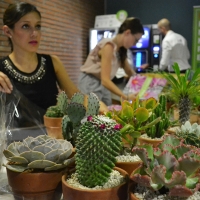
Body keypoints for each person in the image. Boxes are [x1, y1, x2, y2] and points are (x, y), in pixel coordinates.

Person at [0, 2, 108, 127]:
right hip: (13, 143)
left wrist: (97, 105)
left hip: (52, 141)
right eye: (25, 26)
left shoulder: (53, 62)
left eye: (38, 26)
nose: (34, 33)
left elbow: (75, 95)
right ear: (8, 31)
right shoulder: (1, 69)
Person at [78, 17, 147, 106]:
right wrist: (125, 96)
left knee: (106, 114)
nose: (135, 44)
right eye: (136, 40)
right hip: (91, 82)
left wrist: (145, 84)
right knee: (92, 116)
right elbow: (105, 80)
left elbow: (129, 71)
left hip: (102, 85)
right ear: (127, 33)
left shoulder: (121, 50)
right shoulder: (108, 46)